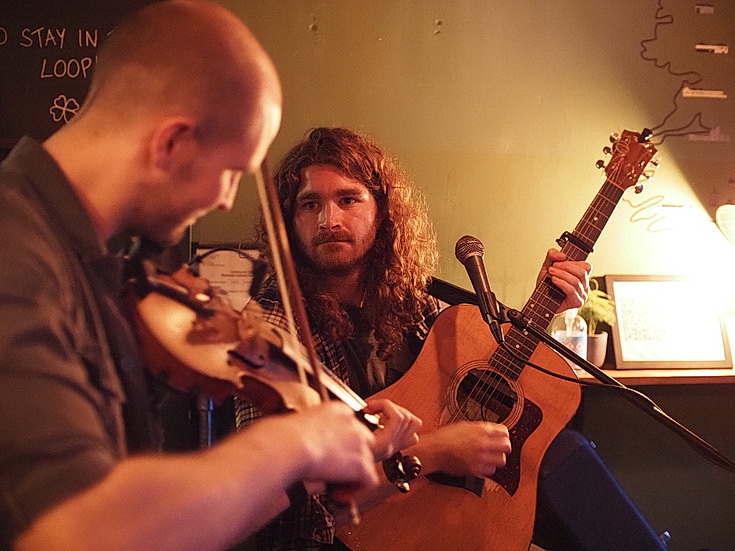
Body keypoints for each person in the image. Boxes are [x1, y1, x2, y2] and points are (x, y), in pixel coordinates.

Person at [0, 5, 422, 551]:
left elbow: (147, 515)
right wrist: (292, 443)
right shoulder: (17, 254)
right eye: (231, 172)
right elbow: (75, 530)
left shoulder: (81, 259)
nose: (226, 199)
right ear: (171, 142)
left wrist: (310, 466)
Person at [234, 126, 593, 550]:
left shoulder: (416, 306)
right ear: (289, 223)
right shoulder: (271, 327)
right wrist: (434, 452)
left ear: (382, 212)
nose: (329, 220)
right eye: (310, 204)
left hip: (441, 525)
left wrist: (543, 306)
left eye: (347, 200)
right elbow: (291, 507)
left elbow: (488, 373)